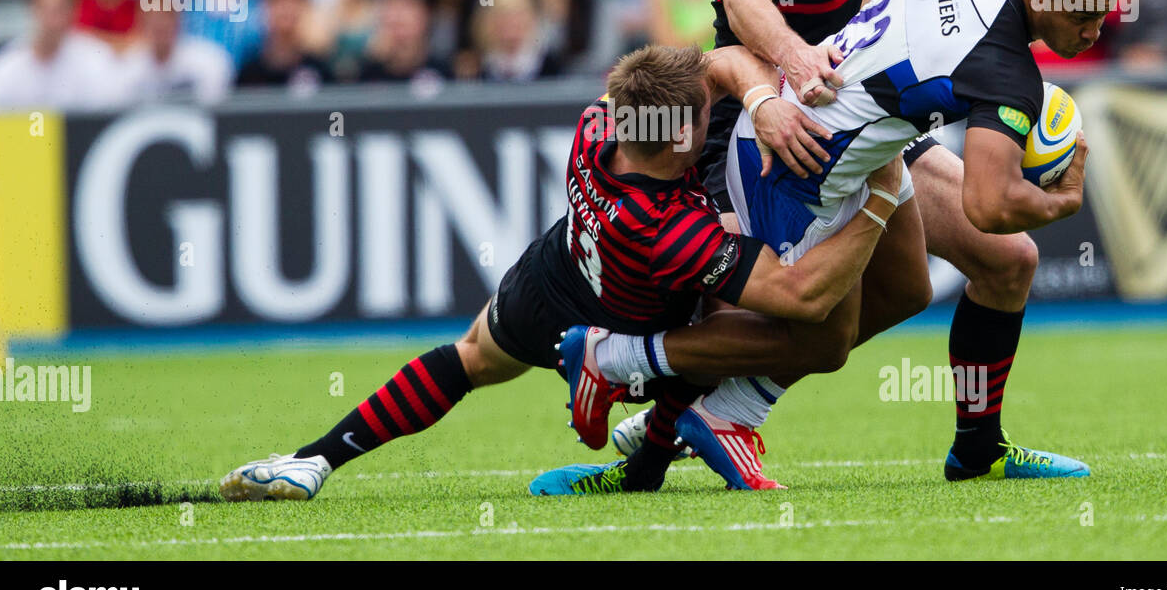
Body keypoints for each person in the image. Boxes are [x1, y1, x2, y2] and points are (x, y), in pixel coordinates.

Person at [549, 0, 1103, 494]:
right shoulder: (1004, 72)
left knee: (965, 274)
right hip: (795, 151)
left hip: (858, 124)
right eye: (1083, 17)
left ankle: (975, 448)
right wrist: (1063, 199)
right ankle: (628, 370)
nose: (1094, 32)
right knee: (819, 331)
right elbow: (990, 201)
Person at [217, 44, 901, 502]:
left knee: (468, 359)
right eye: (704, 116)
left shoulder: (599, 125)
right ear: (680, 138)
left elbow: (717, 67)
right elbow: (801, 295)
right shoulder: (672, 228)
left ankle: (315, 459)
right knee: (757, 330)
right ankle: (640, 409)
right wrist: (877, 197)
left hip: (550, 281)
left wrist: (754, 98)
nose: (711, 116)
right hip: (629, 324)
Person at [680, 0, 1055, 487]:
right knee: (778, 318)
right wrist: (795, 55)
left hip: (863, 103)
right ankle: (655, 411)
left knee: (994, 263)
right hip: (770, 117)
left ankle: (976, 450)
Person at [0, 0, 128, 112]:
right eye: (44, 8)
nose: (51, 20)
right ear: (31, 8)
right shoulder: (7, 64)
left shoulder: (96, 59)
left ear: (73, 11)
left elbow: (108, 110)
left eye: (59, 10)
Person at [236, 0, 333, 90]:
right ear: (266, 8)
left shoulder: (318, 69)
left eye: (294, 1)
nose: (286, 9)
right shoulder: (250, 73)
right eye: (278, 1)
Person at [123, 4, 234, 104]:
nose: (160, 28)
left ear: (177, 24)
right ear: (143, 27)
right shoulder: (130, 62)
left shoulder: (208, 59)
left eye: (164, 25)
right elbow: (122, 103)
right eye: (155, 26)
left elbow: (215, 102)